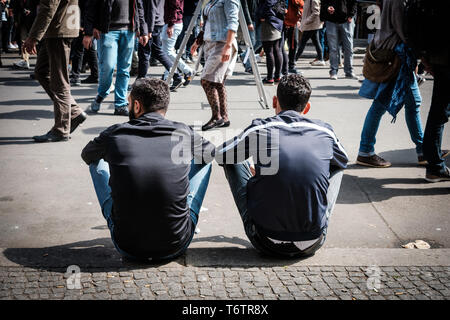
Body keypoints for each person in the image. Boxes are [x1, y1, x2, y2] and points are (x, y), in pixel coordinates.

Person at [81, 78, 215, 261]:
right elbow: (211, 153)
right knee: (204, 161)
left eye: (128, 103)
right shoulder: (183, 132)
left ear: (137, 106)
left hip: (127, 246)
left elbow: (87, 155)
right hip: (176, 243)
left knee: (96, 163)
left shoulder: (115, 133)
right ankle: (179, 212)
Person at [215, 74, 348, 258]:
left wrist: (260, 169)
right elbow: (343, 160)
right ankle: (317, 217)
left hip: (265, 241)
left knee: (233, 159)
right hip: (313, 241)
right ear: (307, 107)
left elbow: (222, 155)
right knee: (338, 166)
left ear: (275, 101)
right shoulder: (324, 130)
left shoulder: (260, 128)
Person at [356, 0, 425, 168]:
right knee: (380, 105)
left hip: (393, 54)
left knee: (412, 102)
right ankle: (365, 151)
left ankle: (424, 149)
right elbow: (403, 30)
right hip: (395, 56)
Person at [23, 0, 87, 142]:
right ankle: (73, 112)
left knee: (60, 81)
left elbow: (48, 7)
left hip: (58, 30)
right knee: (41, 71)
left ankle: (61, 129)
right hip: (60, 27)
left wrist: (33, 37)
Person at [83, 0, 149, 116]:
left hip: (129, 30)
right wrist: (89, 32)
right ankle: (102, 94)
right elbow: (91, 7)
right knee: (107, 67)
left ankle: (120, 104)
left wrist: (143, 30)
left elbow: (139, 7)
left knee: (124, 69)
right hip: (107, 31)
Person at [190, 0, 240, 131]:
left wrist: (228, 46)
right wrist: (198, 41)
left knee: (206, 80)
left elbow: (233, 22)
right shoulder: (213, 1)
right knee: (218, 82)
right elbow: (207, 23)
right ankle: (224, 117)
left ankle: (216, 117)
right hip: (210, 44)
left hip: (222, 44)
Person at [138, 0, 184, 92]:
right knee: (157, 52)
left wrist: (149, 30)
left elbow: (151, 9)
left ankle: (141, 81)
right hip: (156, 22)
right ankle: (176, 75)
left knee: (144, 53)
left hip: (151, 24)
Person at [319, 0, 357, 80]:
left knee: (349, 48)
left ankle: (349, 71)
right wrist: (327, 8)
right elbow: (323, 2)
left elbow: (354, 2)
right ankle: (333, 71)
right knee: (333, 48)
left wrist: (351, 15)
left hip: (346, 20)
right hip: (331, 20)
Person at [161, 0, 193, 90]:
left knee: (167, 52)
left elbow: (175, 6)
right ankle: (168, 77)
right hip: (172, 22)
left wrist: (171, 24)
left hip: (172, 23)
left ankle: (186, 71)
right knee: (167, 52)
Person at [69, 0, 99, 86]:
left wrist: (81, 25)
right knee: (90, 49)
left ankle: (76, 76)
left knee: (79, 49)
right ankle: (94, 75)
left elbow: (85, 8)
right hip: (88, 23)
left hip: (84, 22)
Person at [257, 0, 285, 85]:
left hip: (269, 21)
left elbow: (268, 2)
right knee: (276, 49)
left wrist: (262, 15)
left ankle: (270, 78)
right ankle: (277, 77)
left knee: (269, 51)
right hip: (277, 21)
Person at [295, 0, 325, 66]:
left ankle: (294, 59)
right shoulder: (308, 0)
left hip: (311, 25)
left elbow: (316, 13)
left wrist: (306, 21)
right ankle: (321, 59)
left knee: (303, 42)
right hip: (312, 25)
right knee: (316, 42)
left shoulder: (313, 0)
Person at [283, 0, 303, 74]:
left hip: (292, 22)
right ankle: (284, 67)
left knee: (293, 45)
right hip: (283, 21)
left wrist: (299, 18)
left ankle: (291, 66)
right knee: (281, 47)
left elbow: (300, 4)